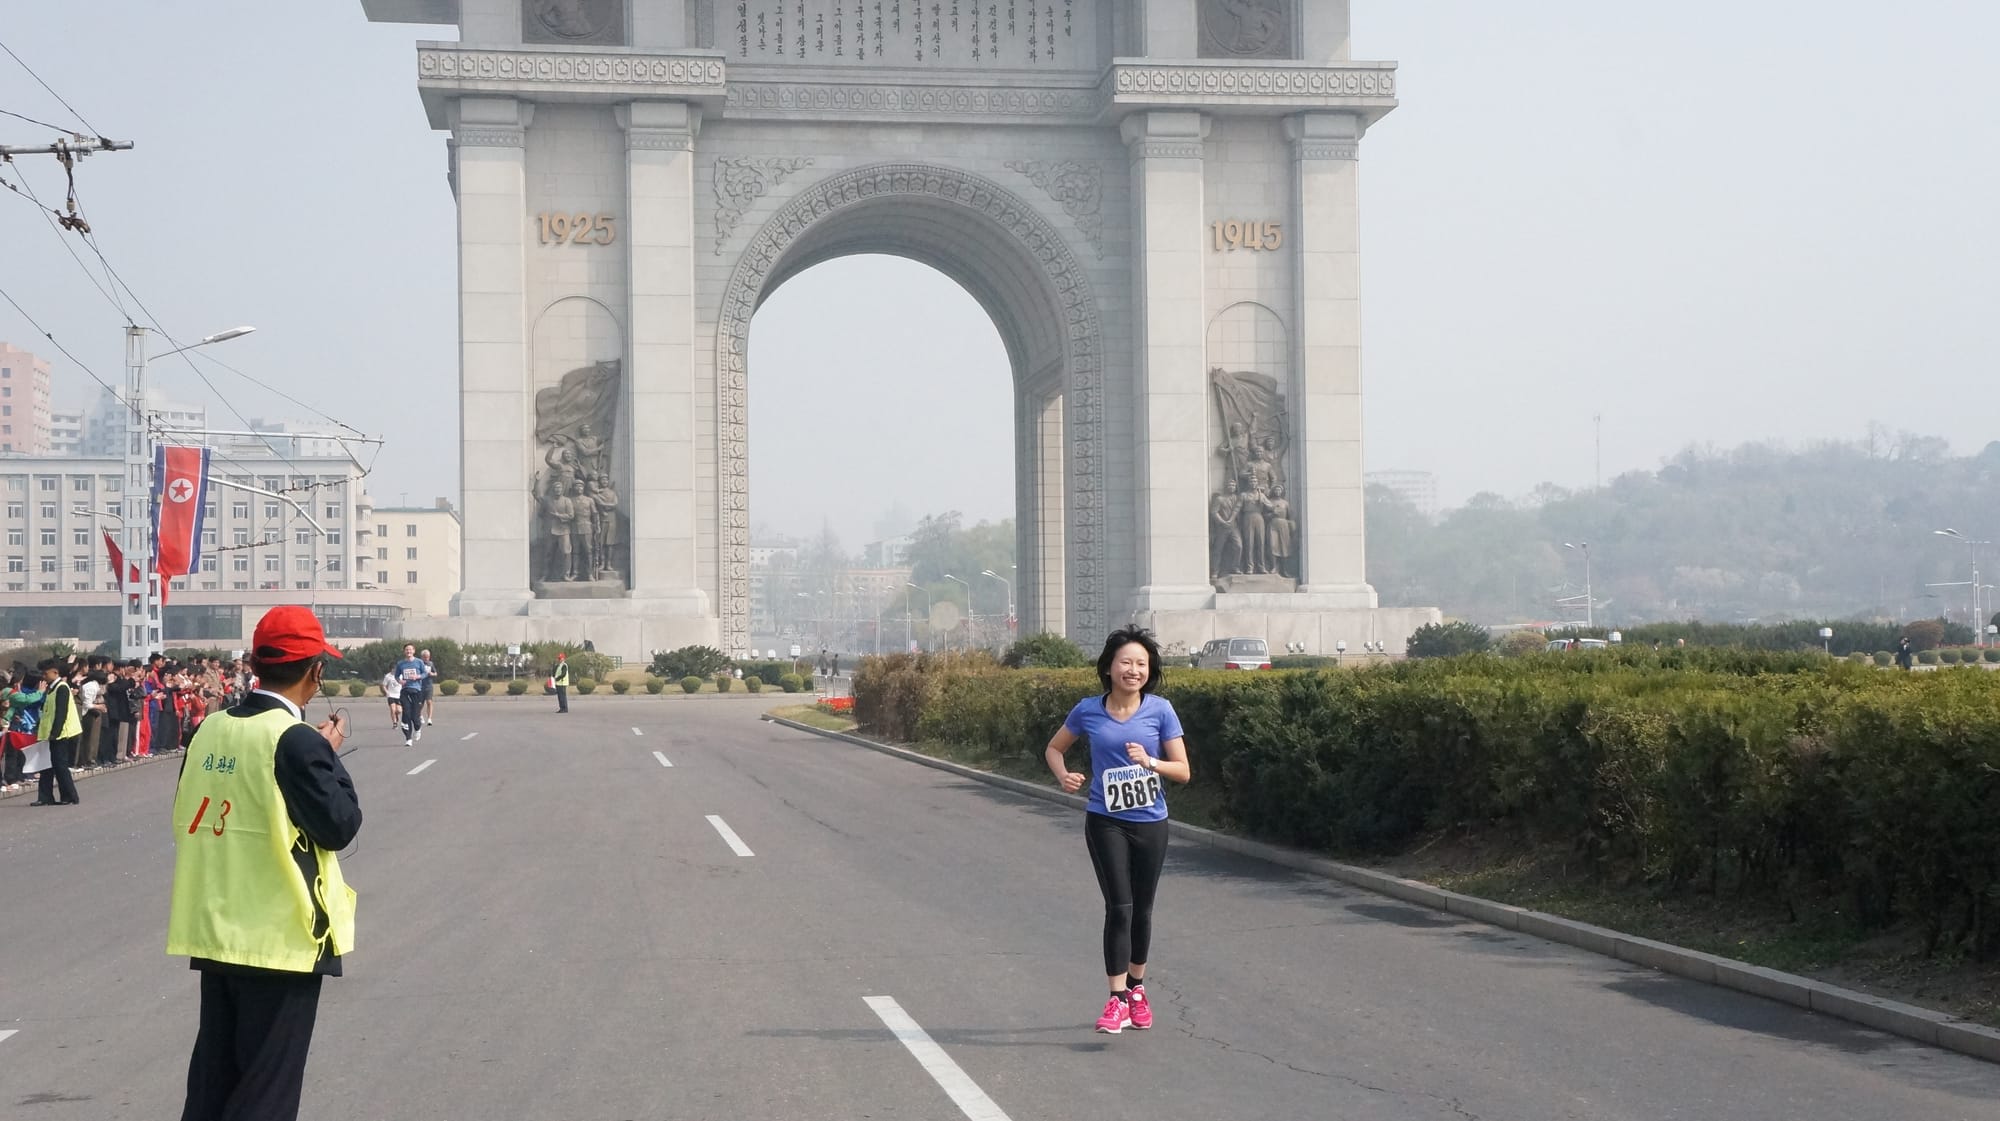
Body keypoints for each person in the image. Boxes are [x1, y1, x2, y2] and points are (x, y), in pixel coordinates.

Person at [167, 605, 360, 1121]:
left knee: (214, 1081)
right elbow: (340, 825)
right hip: (280, 936)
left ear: (254, 663)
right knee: (266, 1091)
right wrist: (327, 754)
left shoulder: (209, 729)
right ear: (316, 671)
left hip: (217, 927)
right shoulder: (295, 740)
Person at [1042, 627, 1191, 1034]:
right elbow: (1054, 748)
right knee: (1119, 907)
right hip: (1105, 820)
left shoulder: (1161, 711)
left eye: (1142, 664)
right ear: (1109, 667)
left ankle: (1137, 989)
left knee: (1142, 909)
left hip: (1151, 823)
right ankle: (1116, 998)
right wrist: (1063, 775)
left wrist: (1151, 762)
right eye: (1126, 662)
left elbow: (1183, 771)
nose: (1134, 670)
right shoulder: (1088, 710)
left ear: (1150, 671)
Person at [28, 659, 83, 806]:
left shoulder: (62, 688)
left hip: (61, 734)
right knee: (45, 766)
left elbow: (61, 713)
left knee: (60, 766)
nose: (43, 676)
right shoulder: (51, 688)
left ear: (55, 672)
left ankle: (70, 796)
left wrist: (55, 733)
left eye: (46, 673)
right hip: (49, 734)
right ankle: (45, 797)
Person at [393, 643, 427, 747]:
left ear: (414, 651)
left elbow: (425, 673)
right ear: (404, 651)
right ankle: (408, 738)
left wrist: (417, 677)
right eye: (407, 650)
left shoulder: (419, 662)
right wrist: (400, 681)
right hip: (405, 690)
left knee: (415, 716)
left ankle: (418, 728)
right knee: (406, 714)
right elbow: (396, 676)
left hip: (416, 690)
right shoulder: (401, 664)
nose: (408, 651)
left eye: (410, 650)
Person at [420, 649, 439, 726]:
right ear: (422, 657)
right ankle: (420, 715)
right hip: (420, 685)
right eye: (424, 657)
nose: (426, 658)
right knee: (420, 703)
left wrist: (432, 674)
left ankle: (429, 719)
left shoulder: (431, 664)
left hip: (429, 685)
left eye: (427, 657)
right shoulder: (419, 664)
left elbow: (436, 673)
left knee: (429, 701)